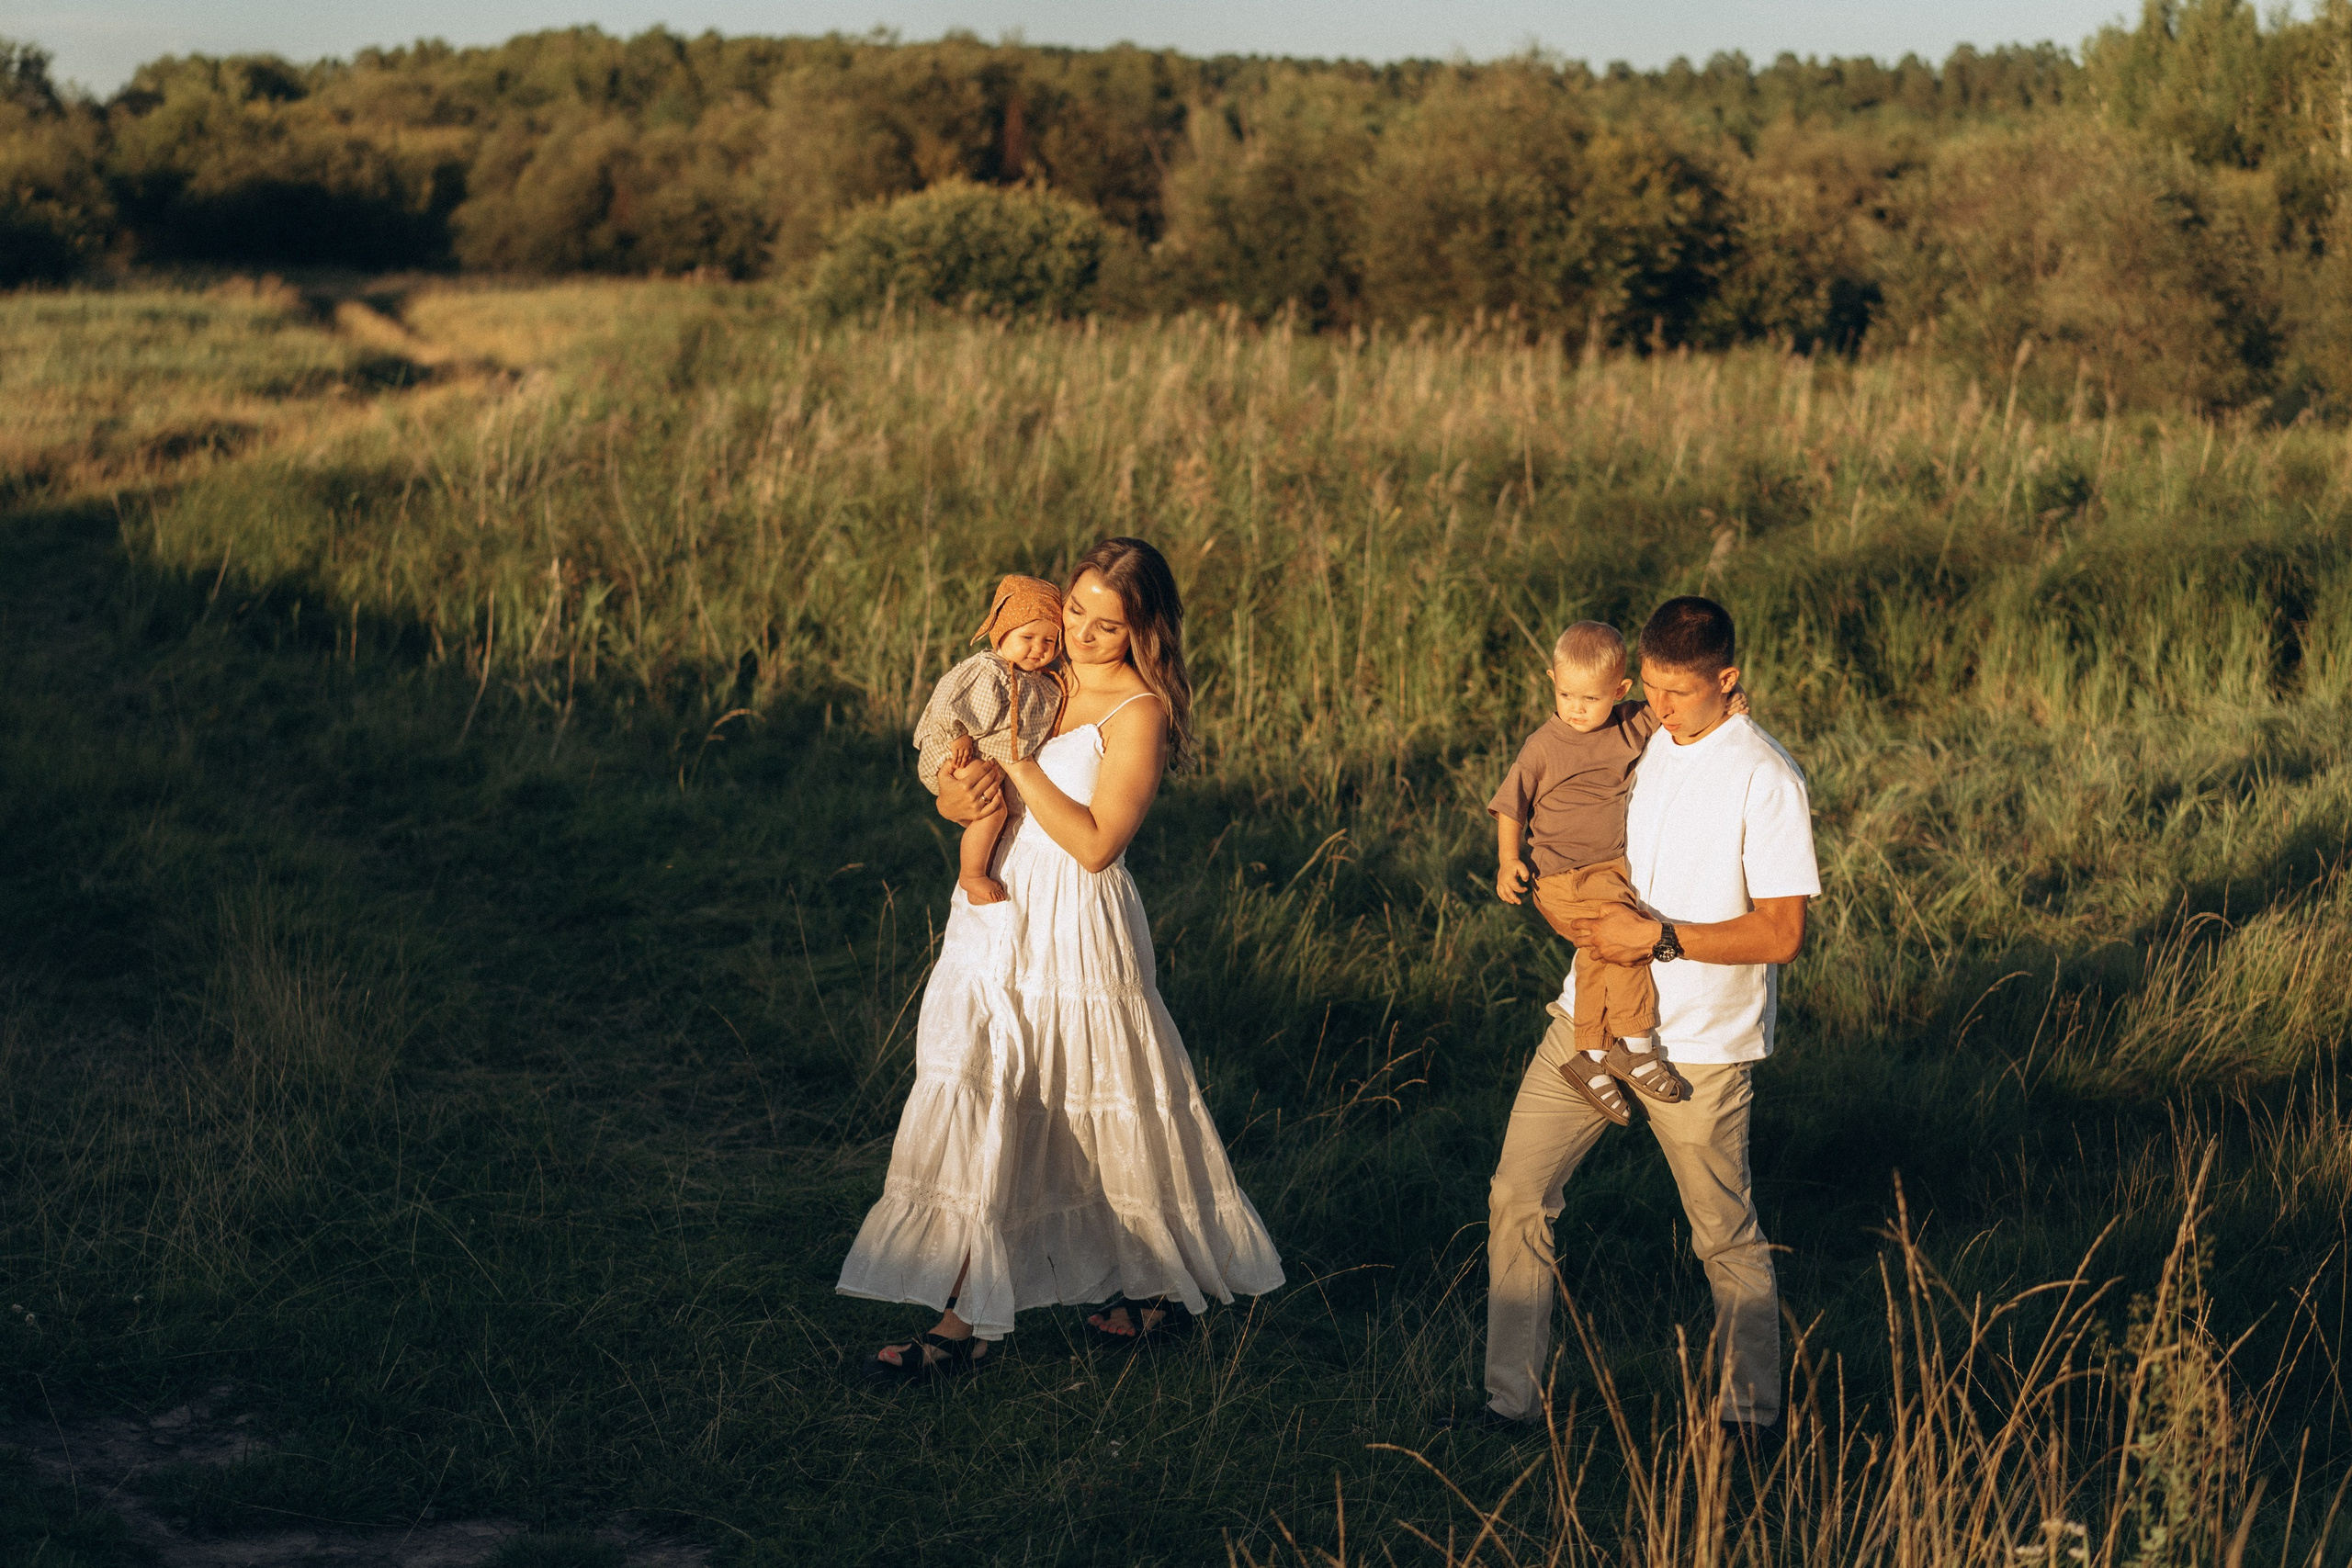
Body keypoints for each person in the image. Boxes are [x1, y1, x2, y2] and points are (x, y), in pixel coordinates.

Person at [839, 536, 1284, 1377]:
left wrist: (1015, 760)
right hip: (1000, 903)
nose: (1079, 632)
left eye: (1105, 625)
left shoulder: (1139, 711)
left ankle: (978, 1322)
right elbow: (966, 769)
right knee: (1001, 1092)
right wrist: (953, 793)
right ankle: (1056, 1294)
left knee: (1077, 1102)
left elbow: (1094, 843)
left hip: (1077, 920)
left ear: (1142, 632)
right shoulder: (1043, 674)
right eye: (1075, 609)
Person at [1470, 594, 1817, 1443]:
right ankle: (1511, 1406)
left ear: (1727, 681)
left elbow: (1783, 933)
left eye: (1676, 694)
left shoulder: (1767, 777)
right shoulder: (1648, 733)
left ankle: (1748, 1419)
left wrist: (1657, 937)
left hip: (1699, 1047)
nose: (1656, 710)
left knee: (1723, 1238)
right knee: (1518, 1192)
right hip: (1588, 1013)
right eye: (1649, 690)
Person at [1489, 620, 1748, 1120]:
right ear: (1551, 681)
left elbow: (1685, 709)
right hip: (1564, 874)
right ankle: (1633, 1043)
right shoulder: (1543, 746)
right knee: (1625, 941)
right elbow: (1510, 806)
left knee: (1599, 951)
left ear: (1620, 691)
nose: (1577, 708)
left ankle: (1588, 1055)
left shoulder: (1633, 722)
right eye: (1566, 694)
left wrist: (1730, 705)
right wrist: (1508, 860)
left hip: (1606, 869)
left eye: (1590, 698)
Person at [910, 573, 1069, 907]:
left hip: (979, 760)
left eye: (1048, 642)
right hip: (953, 753)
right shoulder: (988, 669)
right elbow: (948, 701)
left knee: (1000, 815)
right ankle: (971, 874)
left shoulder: (1039, 681)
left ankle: (989, 864)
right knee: (992, 813)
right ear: (1002, 632)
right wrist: (960, 733)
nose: (1037, 649)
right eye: (1027, 637)